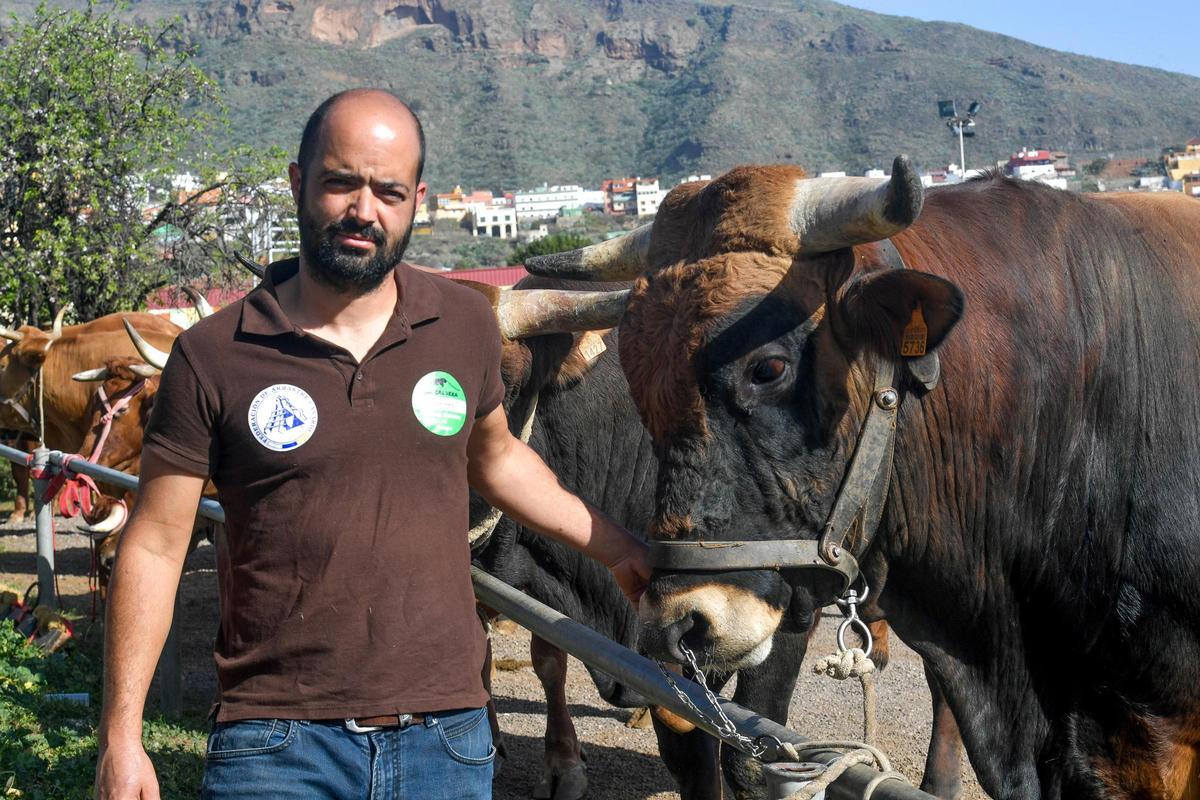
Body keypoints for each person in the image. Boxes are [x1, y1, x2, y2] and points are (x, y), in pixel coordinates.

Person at [93, 88, 650, 800]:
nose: (364, 211)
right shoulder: (214, 355)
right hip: (275, 743)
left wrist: (618, 547)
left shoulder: (462, 326)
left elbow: (499, 458)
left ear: (417, 199)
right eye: (341, 182)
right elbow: (156, 544)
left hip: (445, 738)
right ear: (299, 183)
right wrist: (121, 735)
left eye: (388, 191)